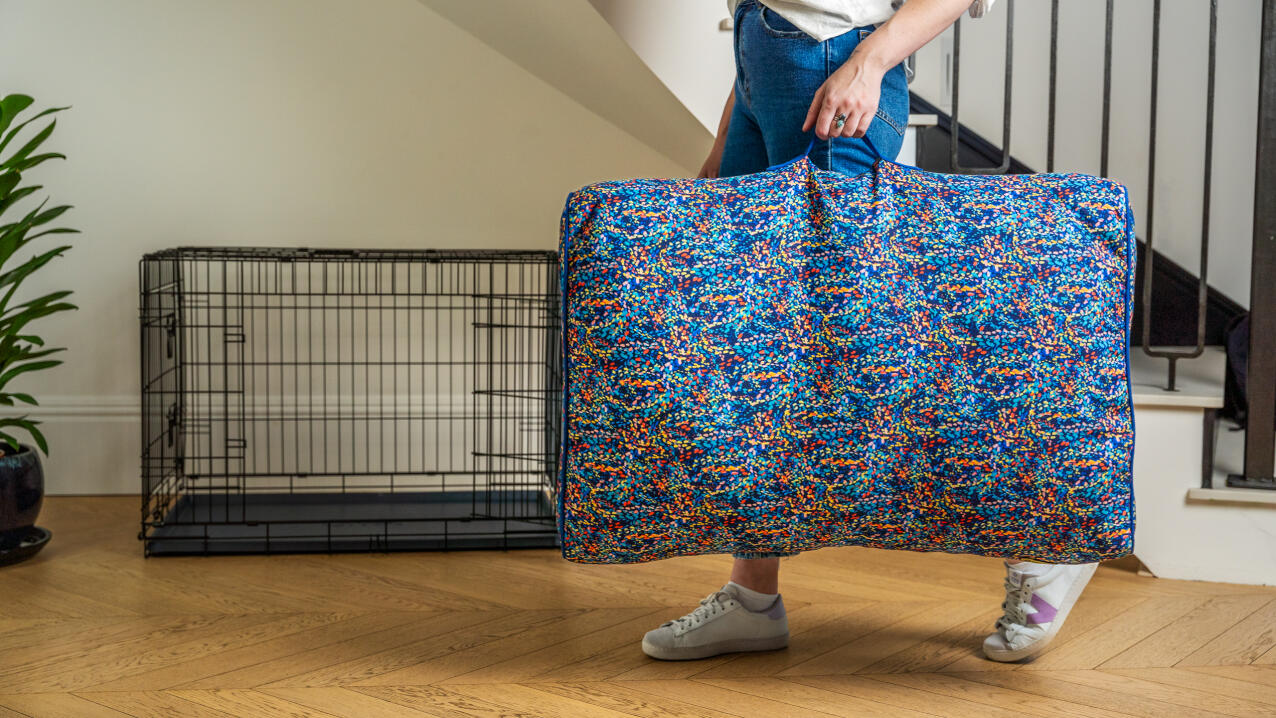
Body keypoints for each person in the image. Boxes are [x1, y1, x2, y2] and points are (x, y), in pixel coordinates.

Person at [641, 0, 1100, 664]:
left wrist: (867, 63)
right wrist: (730, 129)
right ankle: (752, 596)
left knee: (864, 355)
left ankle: (1043, 546)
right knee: (759, 359)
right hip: (765, 75)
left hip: (834, 78)